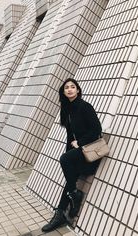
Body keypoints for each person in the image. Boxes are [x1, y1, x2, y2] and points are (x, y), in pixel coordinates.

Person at [42, 78, 102, 232]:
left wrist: (80, 143)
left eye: (72, 87)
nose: (69, 89)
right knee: (70, 180)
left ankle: (74, 196)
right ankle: (61, 213)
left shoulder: (85, 106)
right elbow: (70, 137)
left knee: (64, 160)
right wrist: (70, 153)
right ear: (63, 92)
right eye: (66, 87)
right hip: (78, 154)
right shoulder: (66, 109)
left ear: (78, 90)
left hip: (90, 153)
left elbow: (96, 130)